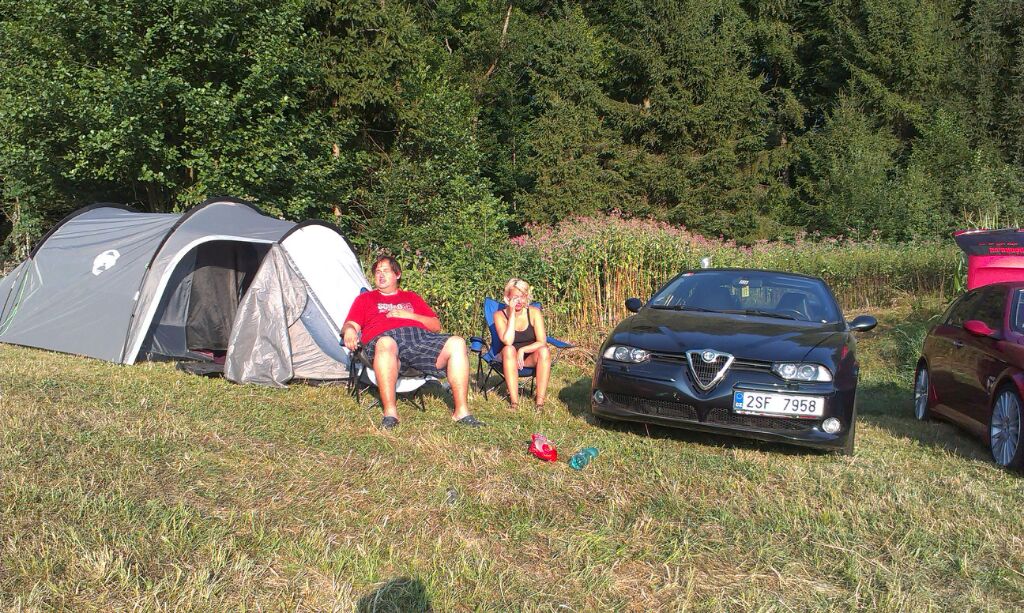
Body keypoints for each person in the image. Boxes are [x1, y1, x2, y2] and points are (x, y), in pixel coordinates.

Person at [342, 256, 484, 430]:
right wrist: (349, 330)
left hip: (419, 339)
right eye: (378, 271)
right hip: (386, 342)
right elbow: (350, 324)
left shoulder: (411, 297)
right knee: (386, 343)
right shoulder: (365, 299)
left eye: (386, 271)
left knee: (457, 342)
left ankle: (461, 412)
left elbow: (436, 325)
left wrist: (409, 315)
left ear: (397, 274)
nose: (381, 275)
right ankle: (390, 414)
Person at [493, 278, 552, 410]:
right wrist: (511, 314)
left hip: (528, 357)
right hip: (508, 358)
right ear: (507, 298)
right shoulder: (499, 315)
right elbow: (507, 341)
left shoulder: (534, 313)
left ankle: (539, 403)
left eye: (522, 297)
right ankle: (514, 403)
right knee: (509, 349)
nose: (519, 301)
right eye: (515, 297)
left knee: (544, 351)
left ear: (526, 297)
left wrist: (523, 350)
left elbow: (542, 341)